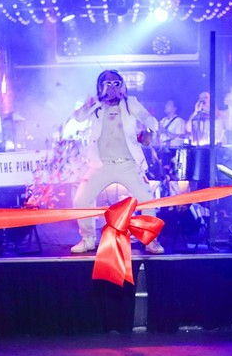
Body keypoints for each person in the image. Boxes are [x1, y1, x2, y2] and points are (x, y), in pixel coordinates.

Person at [70, 70, 164, 254]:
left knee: (147, 200)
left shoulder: (130, 103)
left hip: (127, 165)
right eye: (107, 84)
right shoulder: (95, 105)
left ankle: (151, 240)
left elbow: (149, 119)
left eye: (116, 83)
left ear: (122, 86)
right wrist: (97, 99)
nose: (112, 87)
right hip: (100, 165)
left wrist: (149, 132)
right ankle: (88, 239)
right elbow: (78, 117)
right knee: (81, 199)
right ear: (100, 86)